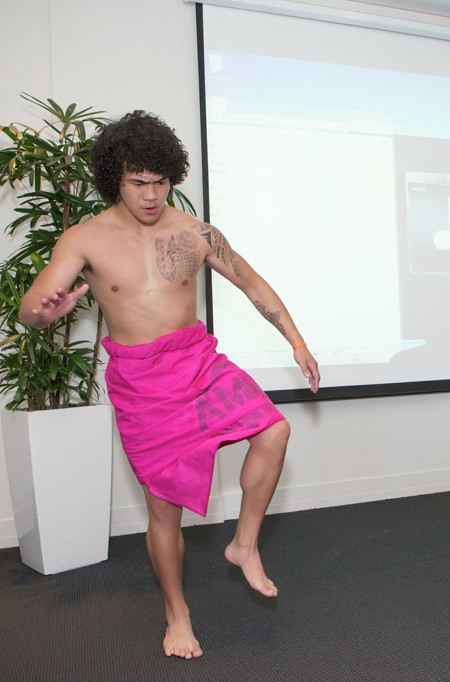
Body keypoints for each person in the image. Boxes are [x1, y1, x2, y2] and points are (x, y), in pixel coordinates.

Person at [19, 111, 319, 657]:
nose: (151, 194)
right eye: (138, 182)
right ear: (115, 178)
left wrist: (296, 341)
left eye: (160, 182)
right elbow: (32, 309)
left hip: (198, 364)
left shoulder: (195, 233)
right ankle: (177, 614)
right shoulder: (85, 239)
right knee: (163, 510)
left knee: (274, 430)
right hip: (141, 385)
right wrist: (45, 313)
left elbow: (252, 282)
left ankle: (244, 545)